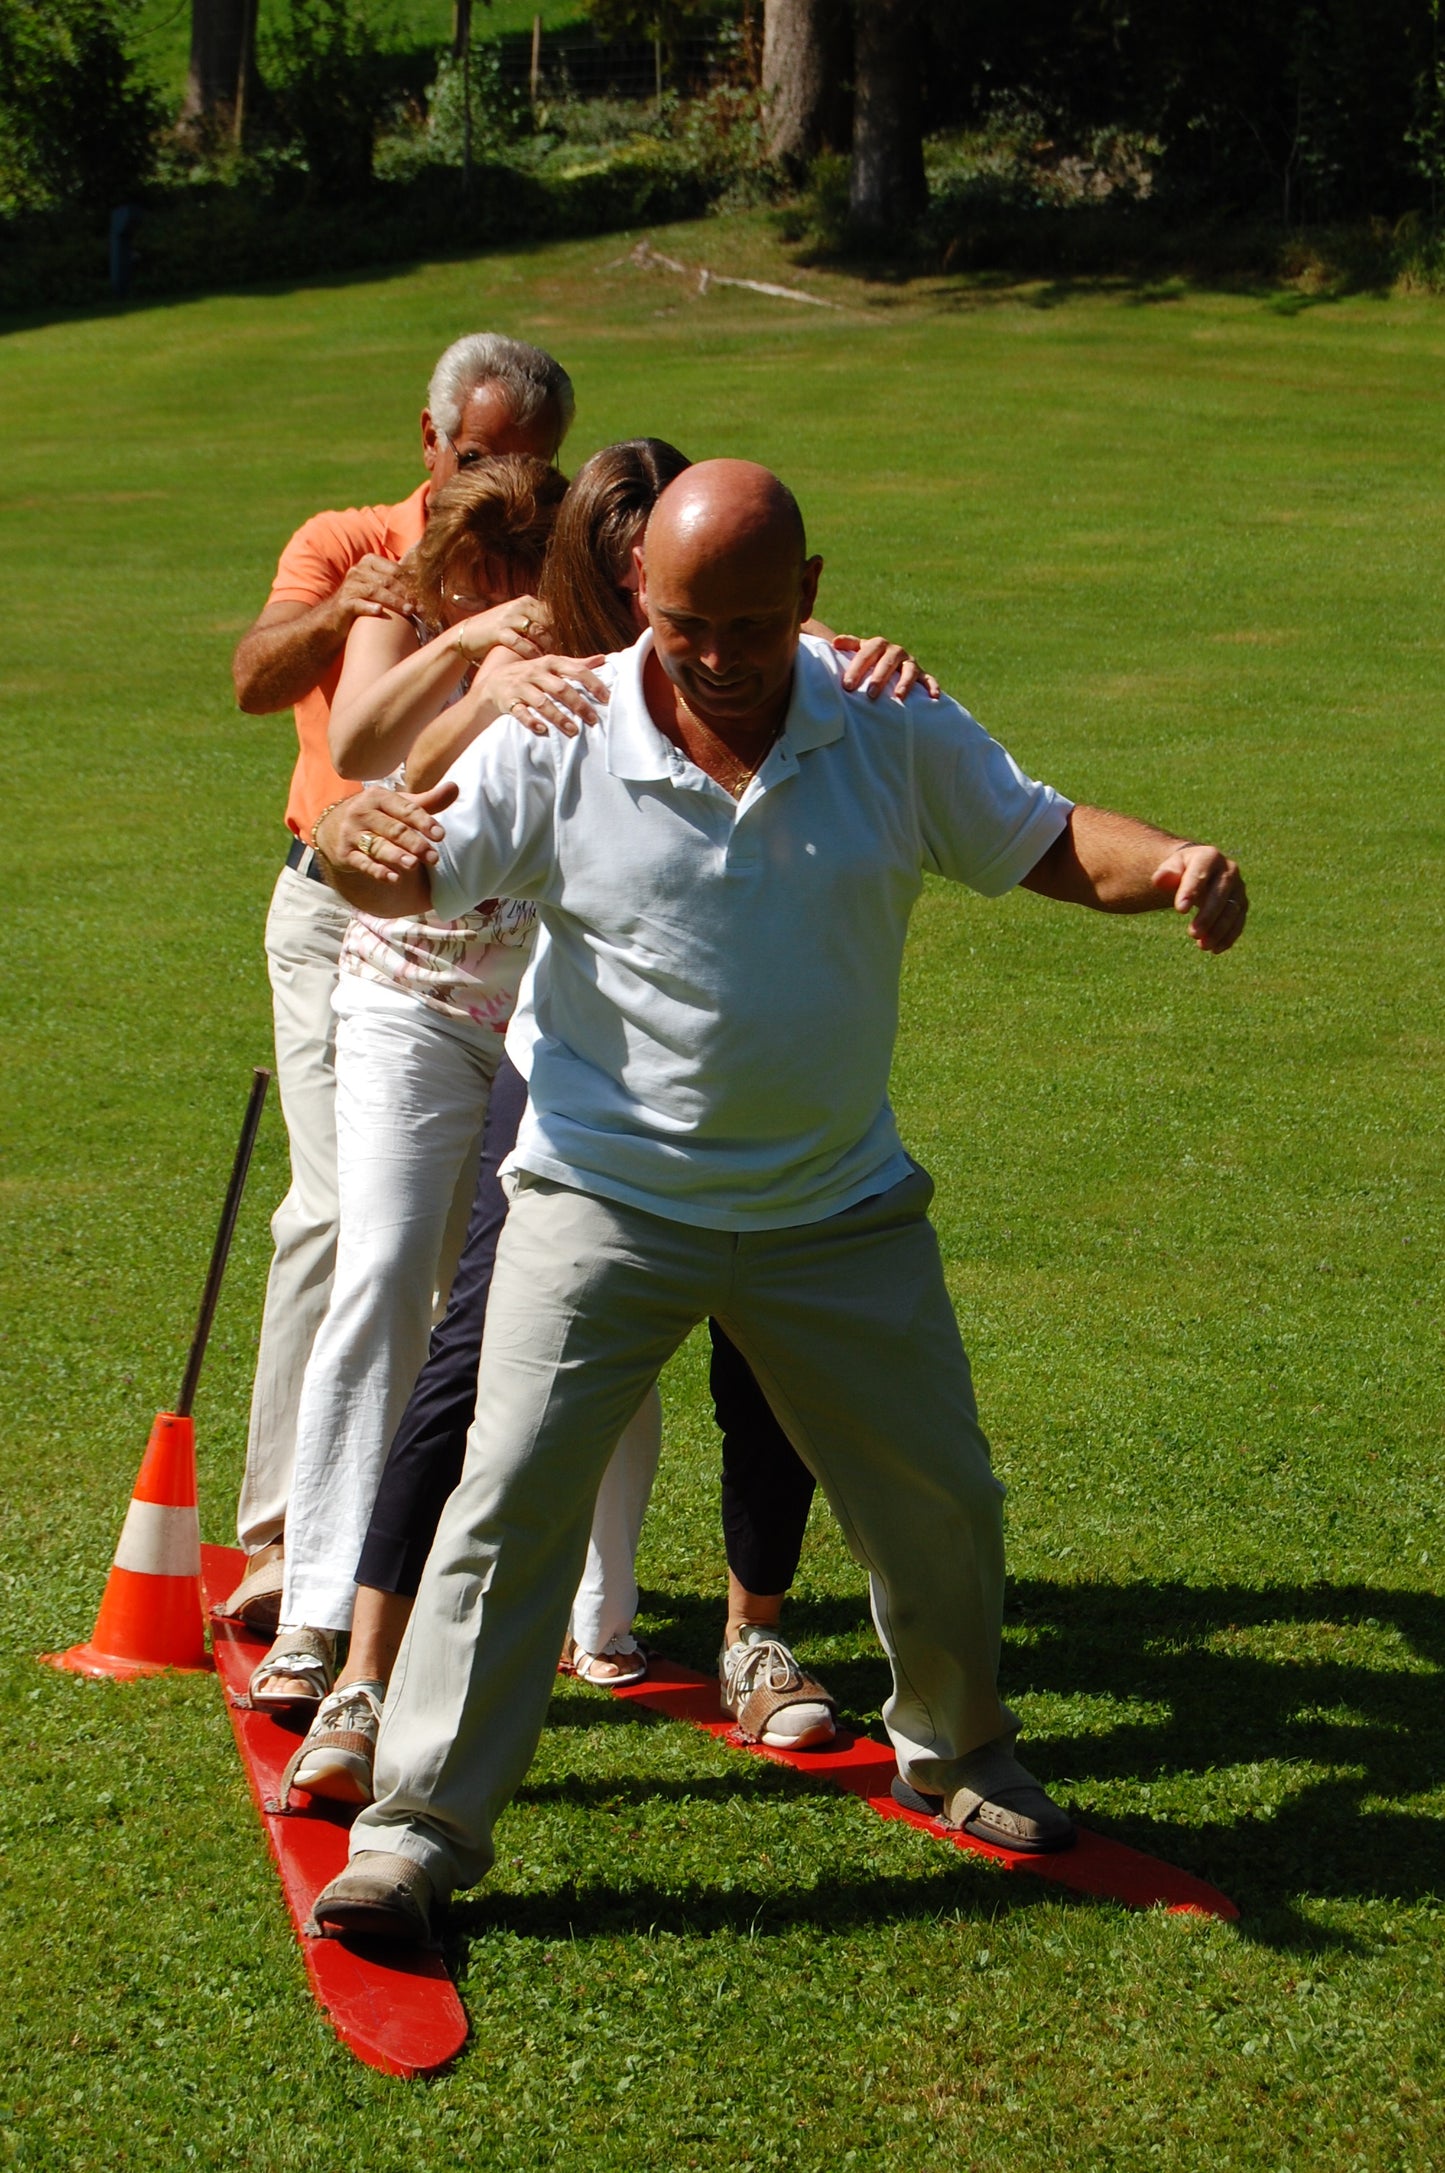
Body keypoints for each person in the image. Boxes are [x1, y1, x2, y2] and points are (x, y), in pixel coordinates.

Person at [302, 457, 1248, 1941]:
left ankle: (956, 1747)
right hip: (598, 1194)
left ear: (809, 596)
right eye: (686, 627)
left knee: (940, 1499)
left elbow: (1045, 837)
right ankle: (413, 1830)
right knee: (504, 1510)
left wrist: (1174, 863)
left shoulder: (889, 720)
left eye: (752, 624)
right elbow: (406, 867)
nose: (723, 659)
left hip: (832, 1207)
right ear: (637, 600)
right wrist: (363, 839)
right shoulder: (559, 724)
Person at [278, 439, 932, 1803]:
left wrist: (863, 662)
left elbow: (807, 680)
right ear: (617, 575)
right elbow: (360, 783)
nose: (699, 640)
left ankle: (705, 1632)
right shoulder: (541, 666)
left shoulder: (744, 663)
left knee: (742, 1352)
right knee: (449, 1326)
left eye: (729, 611)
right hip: (483, 1017)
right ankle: (352, 1653)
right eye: (667, 600)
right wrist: (479, 690)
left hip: (669, 1060)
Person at [220, 335, 575, 1634]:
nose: (502, 477)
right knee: (337, 1217)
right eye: (479, 454)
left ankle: (403, 1539)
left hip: (491, 928)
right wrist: (356, 606)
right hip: (335, 913)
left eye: (529, 459)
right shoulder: (348, 538)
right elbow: (256, 680)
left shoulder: (548, 556)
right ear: (428, 440)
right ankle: (281, 1538)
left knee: (466, 1252)